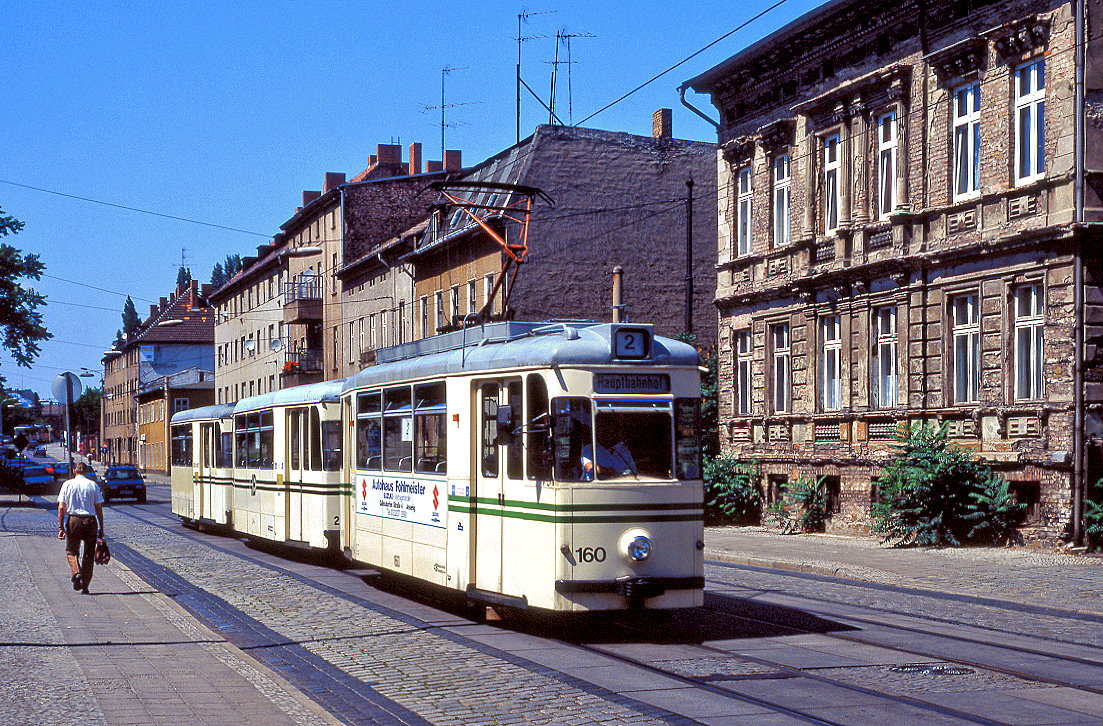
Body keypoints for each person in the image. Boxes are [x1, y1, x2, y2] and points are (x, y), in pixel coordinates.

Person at [57, 462, 104, 595]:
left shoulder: (67, 484)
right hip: (90, 521)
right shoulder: (93, 485)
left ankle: (76, 573)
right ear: (87, 472)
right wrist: (101, 526)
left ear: (74, 471)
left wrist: (61, 527)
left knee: (71, 551)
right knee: (89, 554)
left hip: (74, 521)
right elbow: (99, 508)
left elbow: (61, 508)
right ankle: (85, 586)